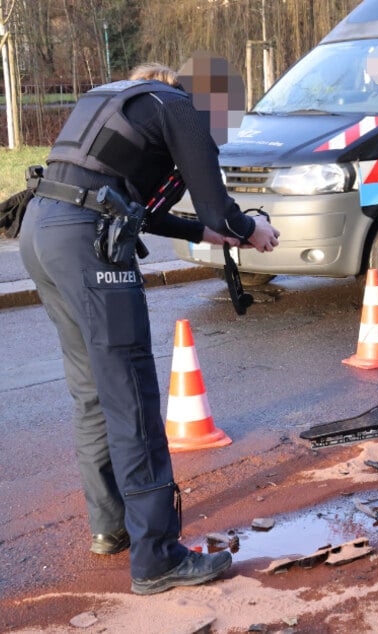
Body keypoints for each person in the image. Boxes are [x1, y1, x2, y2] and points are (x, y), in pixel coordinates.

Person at [19, 62, 280, 595]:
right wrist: (251, 230)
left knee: (93, 389)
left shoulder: (121, 97)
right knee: (132, 394)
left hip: (41, 230)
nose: (223, 129)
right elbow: (223, 209)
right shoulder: (182, 108)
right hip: (87, 243)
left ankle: (110, 526)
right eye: (228, 116)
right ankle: (157, 556)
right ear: (214, 102)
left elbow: (145, 209)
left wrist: (206, 234)